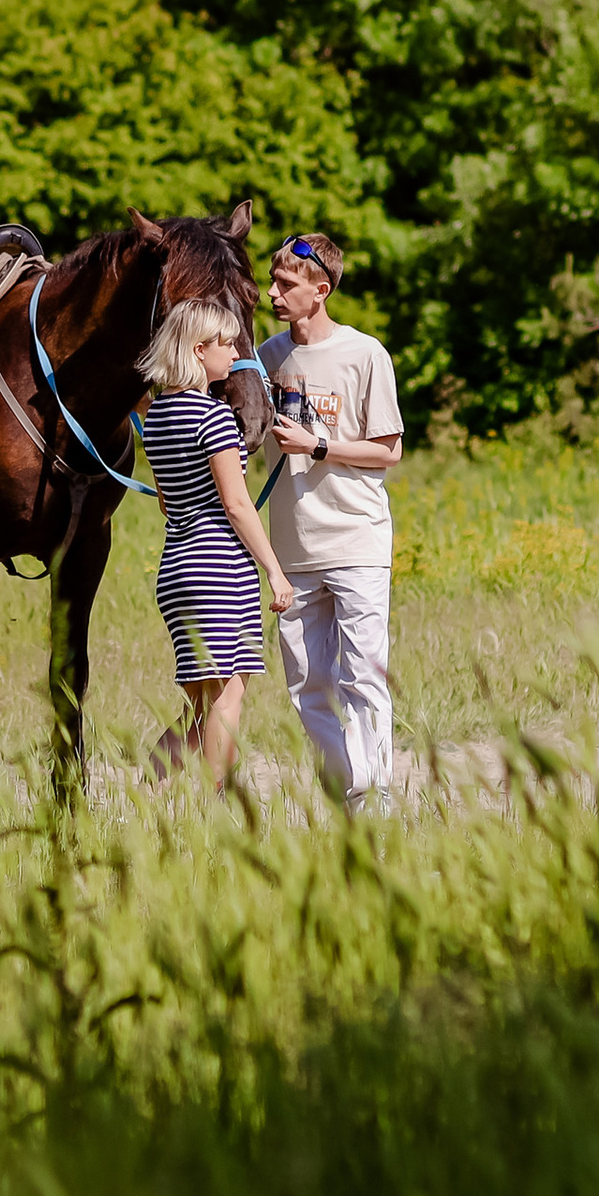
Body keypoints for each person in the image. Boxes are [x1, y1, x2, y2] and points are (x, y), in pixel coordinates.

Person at [257, 232, 404, 806]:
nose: (273, 293)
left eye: (286, 285)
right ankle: (354, 792)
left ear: (320, 291)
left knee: (364, 677)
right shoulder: (265, 358)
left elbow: (387, 450)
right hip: (291, 551)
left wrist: (318, 446)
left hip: (357, 539)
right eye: (273, 282)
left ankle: (377, 800)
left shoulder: (366, 354)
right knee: (308, 688)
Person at [136, 297, 296, 790]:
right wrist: (274, 570)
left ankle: (146, 790)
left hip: (177, 569)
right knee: (227, 701)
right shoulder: (215, 417)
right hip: (220, 568)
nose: (235, 354)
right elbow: (238, 505)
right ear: (199, 349)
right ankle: (217, 814)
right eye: (226, 344)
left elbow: (166, 502)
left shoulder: (157, 416)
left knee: (200, 705)